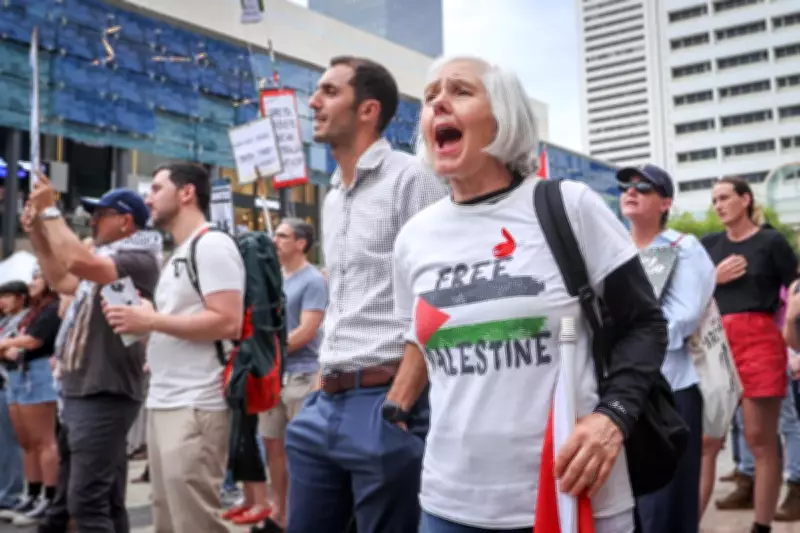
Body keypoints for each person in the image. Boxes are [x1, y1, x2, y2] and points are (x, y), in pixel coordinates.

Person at [388, 55, 668, 533]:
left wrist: (612, 418)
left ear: (503, 115)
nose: (437, 103)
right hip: (448, 504)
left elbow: (645, 324)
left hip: (569, 498)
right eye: (430, 96)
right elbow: (420, 342)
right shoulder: (413, 239)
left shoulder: (569, 206)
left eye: (459, 90)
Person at [283, 56, 448, 533]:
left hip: (384, 404)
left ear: (368, 109)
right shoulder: (332, 195)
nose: (313, 102)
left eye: (329, 92)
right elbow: (341, 297)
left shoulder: (412, 178)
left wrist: (398, 401)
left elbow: (438, 296)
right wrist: (319, 386)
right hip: (322, 407)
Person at [103, 162, 244, 533]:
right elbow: (185, 325)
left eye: (156, 188)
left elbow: (228, 321)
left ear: (186, 193)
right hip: (169, 400)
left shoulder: (212, 245)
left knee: (194, 522)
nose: (147, 197)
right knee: (169, 518)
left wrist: (152, 321)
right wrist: (146, 328)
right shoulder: (181, 253)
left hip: (196, 403)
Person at [23, 177, 161, 533]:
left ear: (125, 221)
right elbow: (61, 279)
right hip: (85, 391)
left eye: (100, 214)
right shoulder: (108, 261)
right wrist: (37, 232)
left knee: (86, 503)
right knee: (95, 500)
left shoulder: (138, 258)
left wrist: (50, 210)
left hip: (104, 393)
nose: (92, 221)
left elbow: (77, 264)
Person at [619, 165, 716, 533]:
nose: (631, 191)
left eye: (644, 187)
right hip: (617, 390)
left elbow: (685, 317)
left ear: (665, 203)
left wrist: (628, 339)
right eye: (626, 186)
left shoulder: (684, 247)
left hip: (670, 390)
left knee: (667, 506)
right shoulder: (611, 246)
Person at [702, 177, 798, 533]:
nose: (718, 205)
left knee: (761, 439)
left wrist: (795, 341)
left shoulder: (771, 241)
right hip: (716, 344)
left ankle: (761, 525)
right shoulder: (708, 245)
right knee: (707, 441)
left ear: (745, 200)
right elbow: (685, 289)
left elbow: (795, 286)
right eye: (714, 200)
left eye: (725, 197)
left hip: (760, 342)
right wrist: (713, 277)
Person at [246, 218, 326, 530]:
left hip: (302, 376)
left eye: (282, 235)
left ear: (300, 243)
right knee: (272, 447)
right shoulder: (273, 277)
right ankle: (278, 513)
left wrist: (268, 350)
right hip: (272, 378)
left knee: (298, 452)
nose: (274, 240)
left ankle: (299, 516)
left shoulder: (313, 281)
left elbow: (307, 330)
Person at [0, 271, 61, 527]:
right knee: (27, 442)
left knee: (43, 440)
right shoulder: (36, 312)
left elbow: (33, 342)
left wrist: (5, 344)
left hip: (37, 374)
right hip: (19, 375)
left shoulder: (52, 308)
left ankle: (50, 497)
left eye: (38, 277)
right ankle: (32, 494)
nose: (32, 281)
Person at [0, 282, 28, 518]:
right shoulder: (4, 322)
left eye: (7, 296)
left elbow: (15, 353)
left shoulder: (24, 320)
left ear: (21, 298)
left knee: (10, 443)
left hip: (13, 383)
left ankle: (11, 494)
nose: (2, 301)